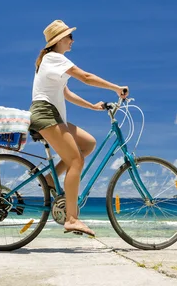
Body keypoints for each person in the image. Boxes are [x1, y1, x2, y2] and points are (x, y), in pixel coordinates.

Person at [29, 19, 129, 237]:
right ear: (59, 41)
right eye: (69, 36)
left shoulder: (53, 62)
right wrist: (116, 88)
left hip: (53, 116)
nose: (72, 40)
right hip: (46, 115)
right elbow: (86, 77)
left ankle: (48, 180)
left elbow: (66, 93)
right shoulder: (54, 58)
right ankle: (72, 218)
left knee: (88, 143)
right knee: (76, 160)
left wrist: (92, 107)